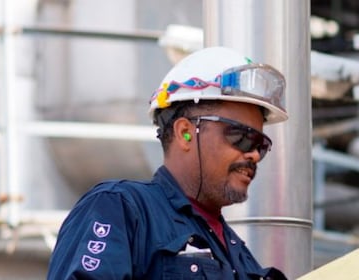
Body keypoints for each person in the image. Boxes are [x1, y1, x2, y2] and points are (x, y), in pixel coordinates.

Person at [47, 46, 288, 280]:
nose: (254, 155)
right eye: (242, 137)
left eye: (260, 144)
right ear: (185, 132)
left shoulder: (241, 258)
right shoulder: (122, 209)